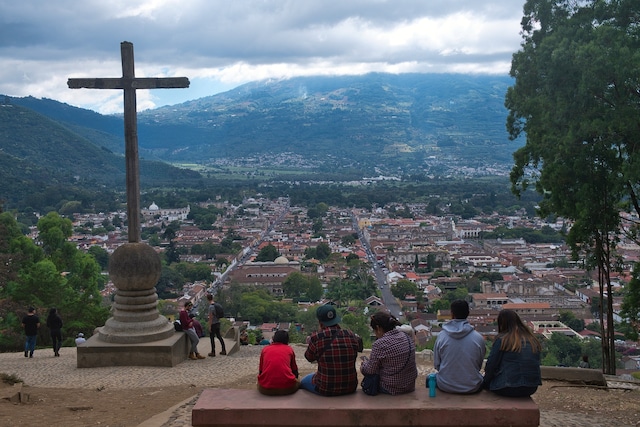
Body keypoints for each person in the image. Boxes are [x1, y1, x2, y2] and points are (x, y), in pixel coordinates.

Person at [300, 304, 363, 396]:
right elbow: (358, 348)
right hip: (350, 387)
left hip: (325, 388)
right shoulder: (351, 335)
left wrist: (311, 343)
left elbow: (309, 358)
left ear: (320, 323)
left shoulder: (317, 338)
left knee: (303, 381)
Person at [483, 309, 542, 397]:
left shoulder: (502, 340)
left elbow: (491, 365)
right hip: (531, 387)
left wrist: (484, 383)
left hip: (507, 386)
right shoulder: (532, 340)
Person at [433, 299, 485, 394]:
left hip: (445, 385)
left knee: (430, 378)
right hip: (472, 386)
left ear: (452, 314)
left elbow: (437, 364)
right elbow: (478, 365)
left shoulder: (441, 336)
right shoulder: (478, 338)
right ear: (468, 313)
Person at [360, 312, 417, 395]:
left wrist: (363, 365)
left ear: (378, 328)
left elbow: (370, 370)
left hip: (390, 387)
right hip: (409, 385)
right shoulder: (406, 336)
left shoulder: (380, 344)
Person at [257, 330, 300, 395]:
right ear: (287, 340)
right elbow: (295, 371)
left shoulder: (265, 349)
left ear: (274, 338)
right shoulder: (289, 349)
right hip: (287, 389)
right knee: (299, 380)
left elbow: (261, 371)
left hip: (265, 389)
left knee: (258, 383)